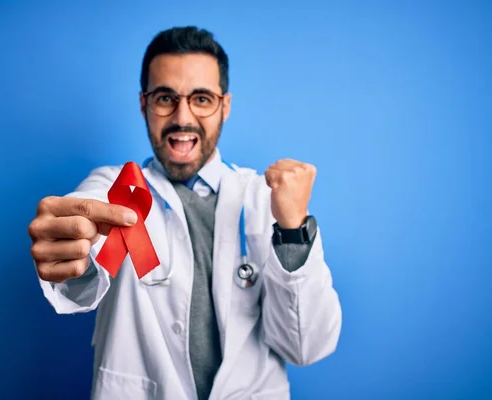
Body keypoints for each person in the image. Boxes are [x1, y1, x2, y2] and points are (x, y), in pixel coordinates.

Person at [28, 26, 342, 400]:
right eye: (165, 98)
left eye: (202, 99)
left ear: (225, 106)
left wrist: (293, 230)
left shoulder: (263, 199)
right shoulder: (117, 188)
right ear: (144, 104)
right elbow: (83, 267)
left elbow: (305, 347)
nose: (182, 117)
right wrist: (71, 250)